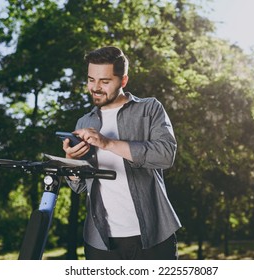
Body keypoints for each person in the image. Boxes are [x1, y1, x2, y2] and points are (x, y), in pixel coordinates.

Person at [63, 46, 181, 260]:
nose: (95, 88)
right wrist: (71, 162)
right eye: (91, 80)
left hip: (154, 236)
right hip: (101, 241)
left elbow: (166, 155)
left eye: (104, 82)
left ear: (123, 81)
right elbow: (80, 186)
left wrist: (108, 143)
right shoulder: (84, 122)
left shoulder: (150, 109)